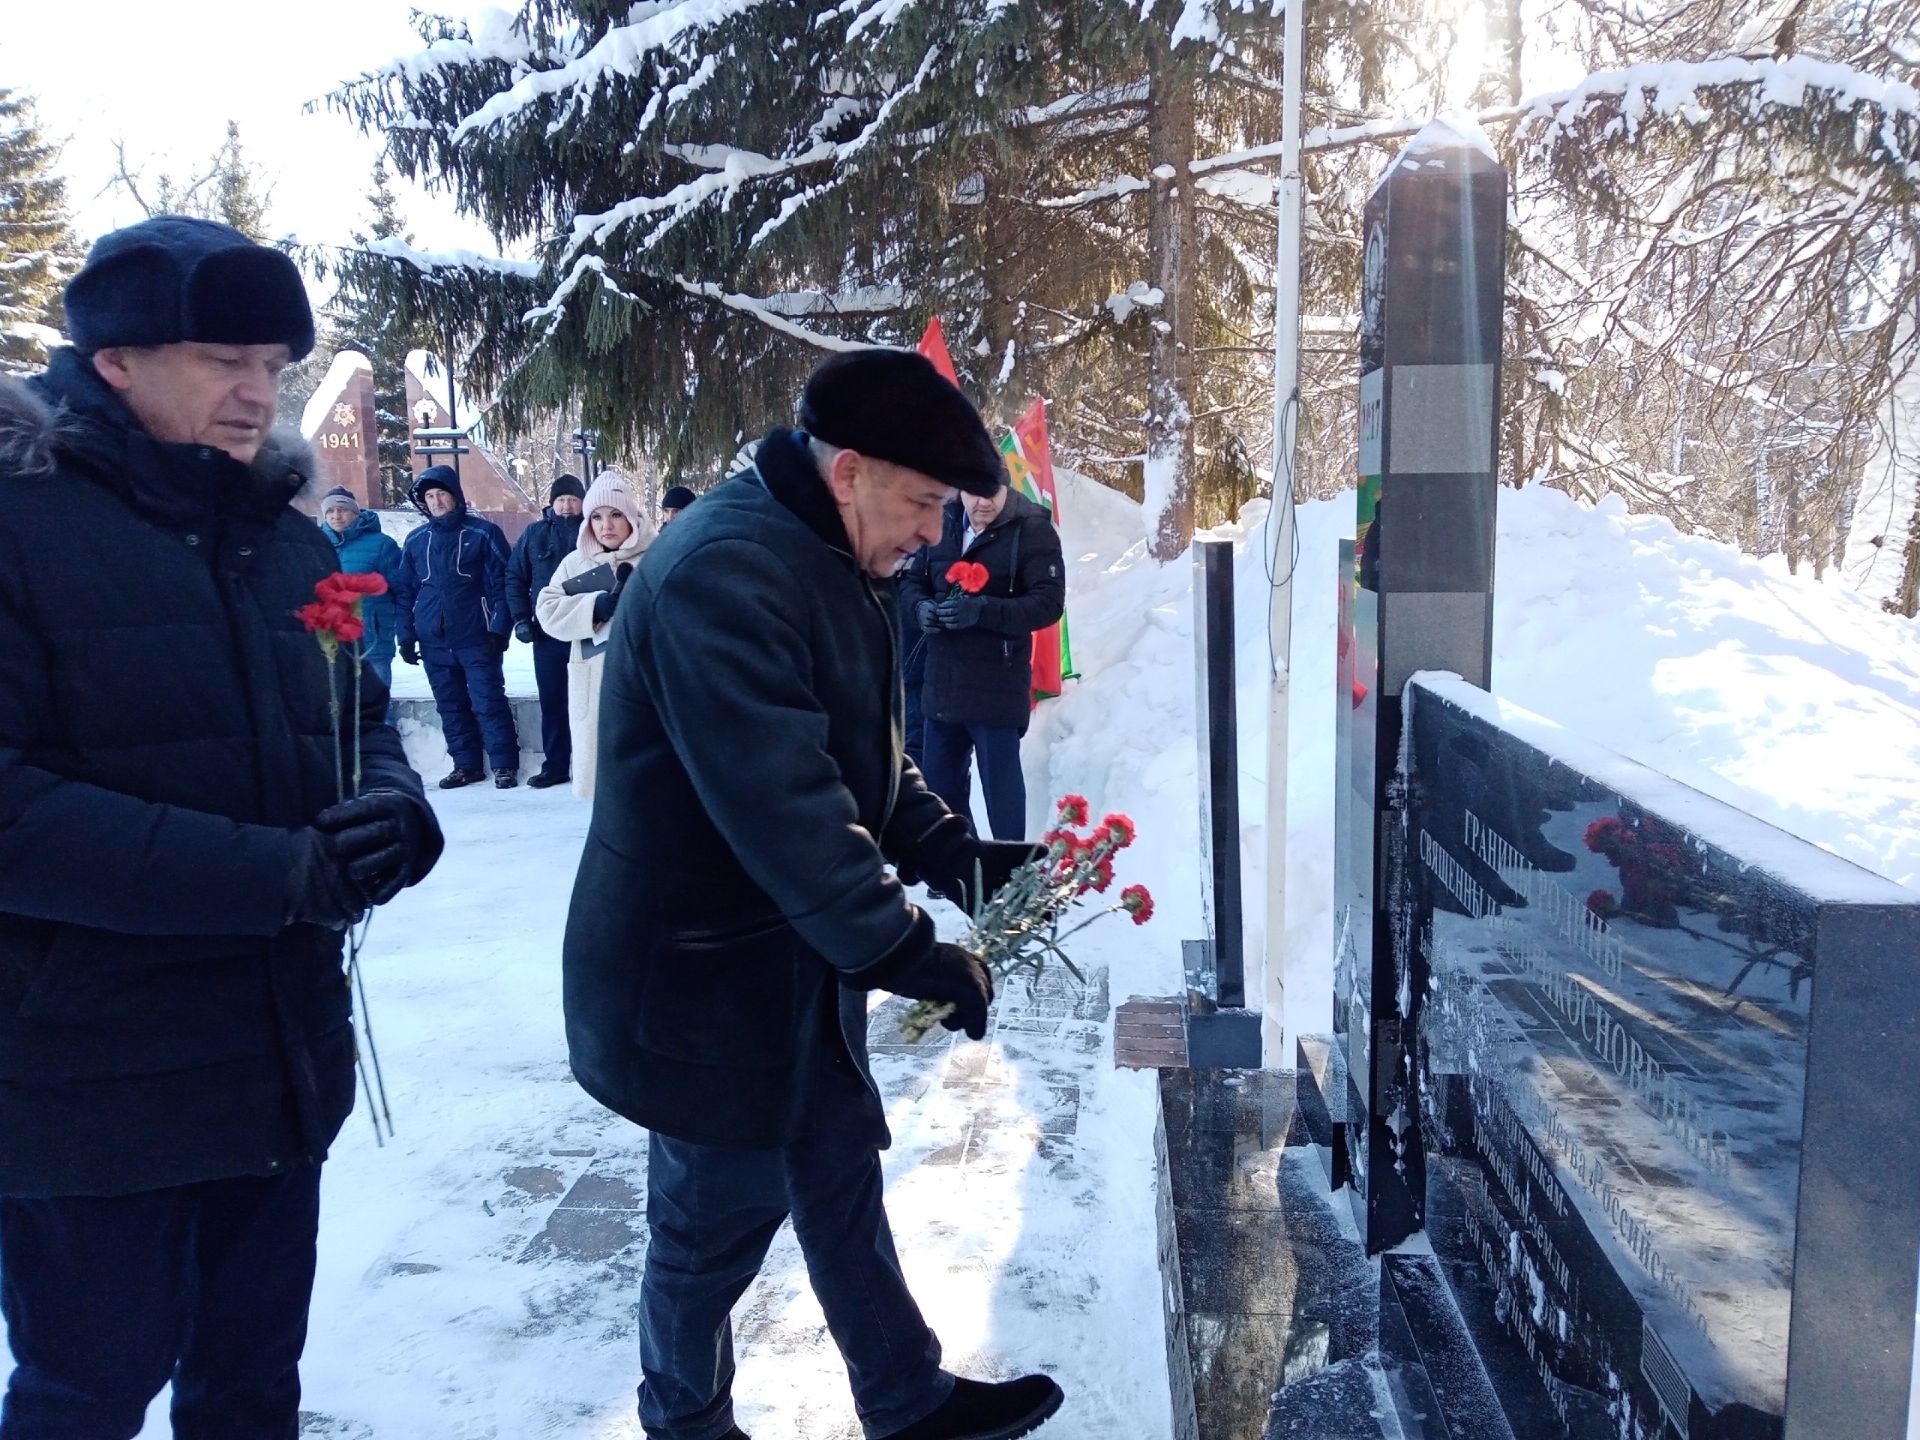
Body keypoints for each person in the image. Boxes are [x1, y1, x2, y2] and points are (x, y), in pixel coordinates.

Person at [564, 348, 1064, 1440]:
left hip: (784, 957)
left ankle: (906, 1397)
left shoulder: (839, 564)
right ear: (848, 472)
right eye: (922, 502)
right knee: (707, 1234)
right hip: (696, 977)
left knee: (836, 1176)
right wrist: (901, 946)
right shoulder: (724, 572)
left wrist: (950, 851)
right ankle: (684, 1420)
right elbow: (784, 799)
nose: (933, 534)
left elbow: (860, 759)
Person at [0, 215, 444, 1438]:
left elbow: (360, 721)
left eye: (273, 364)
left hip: (270, 1066)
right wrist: (276, 874)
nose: (259, 394)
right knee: (84, 1394)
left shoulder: (286, 541)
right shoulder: (17, 526)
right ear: (114, 361)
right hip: (84, 1077)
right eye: (220, 359)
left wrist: (394, 820)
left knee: (250, 1392)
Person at [900, 484, 1064, 841]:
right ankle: (959, 868)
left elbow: (1049, 603)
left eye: (993, 492)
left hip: (997, 682)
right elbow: (913, 581)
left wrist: (984, 611)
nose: (983, 501)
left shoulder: (1032, 528)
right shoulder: (940, 521)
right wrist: (919, 608)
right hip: (942, 679)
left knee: (1000, 788)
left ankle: (1011, 874)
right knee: (941, 786)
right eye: (974, 492)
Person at [393, 464, 522, 789]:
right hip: (433, 641)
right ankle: (466, 765)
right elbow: (406, 591)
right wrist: (406, 635)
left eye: (442, 494)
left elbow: (501, 585)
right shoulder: (416, 540)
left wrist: (498, 629)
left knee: (488, 701)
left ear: (455, 496)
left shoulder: (482, 533)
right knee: (450, 705)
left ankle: (504, 764)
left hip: (476, 637)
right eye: (430, 496)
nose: (436, 501)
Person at [534, 469, 657, 800]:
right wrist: (595, 607)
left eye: (616, 514)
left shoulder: (658, 556)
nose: (607, 525)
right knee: (605, 784)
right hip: (594, 683)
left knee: (651, 780)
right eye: (598, 517)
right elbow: (546, 609)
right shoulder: (576, 563)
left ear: (630, 515)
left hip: (647, 682)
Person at [508, 473, 588, 789]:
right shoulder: (535, 534)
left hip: (588, 630)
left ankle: (592, 765)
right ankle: (555, 765)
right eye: (561, 500)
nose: (567, 506)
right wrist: (521, 619)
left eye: (572, 499)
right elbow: (514, 577)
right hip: (548, 634)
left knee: (589, 701)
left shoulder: (593, 530)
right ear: (551, 503)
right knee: (553, 702)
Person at [317, 486, 404, 694]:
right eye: (330, 511)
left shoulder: (382, 546)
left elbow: (402, 590)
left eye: (342, 510)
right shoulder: (316, 545)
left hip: (372, 641)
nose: (336, 515)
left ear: (355, 513)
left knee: (377, 705)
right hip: (330, 642)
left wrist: (404, 631)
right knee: (337, 706)